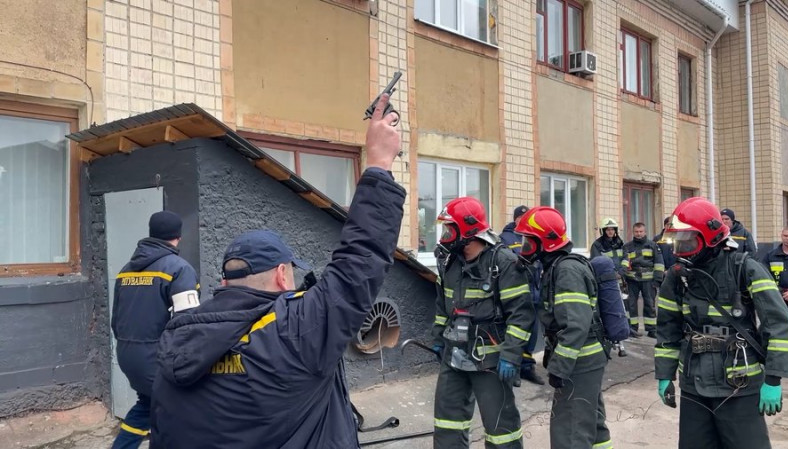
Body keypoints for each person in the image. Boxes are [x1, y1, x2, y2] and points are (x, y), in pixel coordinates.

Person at [149, 94, 404, 449]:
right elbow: (359, 263)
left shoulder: (177, 338)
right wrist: (378, 164)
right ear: (283, 276)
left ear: (225, 282)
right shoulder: (292, 331)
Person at [655, 197, 788, 449]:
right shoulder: (677, 278)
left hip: (739, 384)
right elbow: (668, 329)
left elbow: (778, 324)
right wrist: (664, 375)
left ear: (710, 238)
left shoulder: (745, 268)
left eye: (687, 241)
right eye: (676, 241)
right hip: (694, 384)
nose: (679, 249)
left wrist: (773, 379)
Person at [431, 197, 534, 449]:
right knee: (447, 422)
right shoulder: (450, 262)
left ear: (467, 230)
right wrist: (437, 339)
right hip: (453, 354)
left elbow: (520, 314)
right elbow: (442, 307)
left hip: (491, 360)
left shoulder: (504, 263)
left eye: (449, 229)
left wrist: (511, 355)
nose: (445, 235)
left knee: (501, 428)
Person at [514, 206, 612, 449]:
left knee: (570, 430)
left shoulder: (566, 270)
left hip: (580, 361)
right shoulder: (557, 266)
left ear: (545, 241)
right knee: (592, 423)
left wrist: (560, 366)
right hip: (587, 359)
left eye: (529, 240)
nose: (524, 246)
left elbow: (576, 326)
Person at [111, 210, 200, 449]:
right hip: (157, 358)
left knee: (148, 404)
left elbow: (115, 319)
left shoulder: (125, 270)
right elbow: (187, 322)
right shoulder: (179, 269)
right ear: (178, 236)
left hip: (127, 354)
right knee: (185, 409)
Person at [499, 205, 545, 385]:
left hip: (534, 294)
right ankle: (515, 369)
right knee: (516, 332)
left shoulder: (534, 236)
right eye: (523, 217)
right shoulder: (506, 238)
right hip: (516, 295)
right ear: (516, 219)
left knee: (532, 335)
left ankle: (527, 368)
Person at [589, 217, 629, 356]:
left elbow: (625, 258)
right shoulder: (597, 245)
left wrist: (621, 272)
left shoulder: (620, 243)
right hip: (605, 282)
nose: (611, 232)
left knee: (622, 307)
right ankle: (608, 333)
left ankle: (622, 331)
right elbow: (596, 262)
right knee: (607, 307)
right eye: (608, 229)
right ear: (603, 231)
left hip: (618, 279)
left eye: (613, 229)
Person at [621, 222, 664, 338]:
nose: (639, 234)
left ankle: (651, 329)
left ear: (645, 232)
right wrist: (623, 279)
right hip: (631, 280)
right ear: (633, 232)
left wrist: (657, 280)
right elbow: (624, 263)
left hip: (649, 281)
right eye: (636, 232)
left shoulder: (653, 245)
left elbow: (659, 263)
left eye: (641, 232)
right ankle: (632, 328)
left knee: (650, 305)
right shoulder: (627, 247)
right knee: (631, 305)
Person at [761, 225, 788, 310]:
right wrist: (780, 292)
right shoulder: (770, 256)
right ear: (781, 236)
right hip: (777, 298)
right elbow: (764, 276)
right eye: (785, 236)